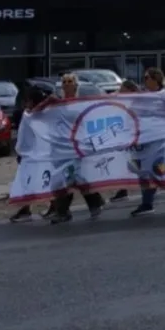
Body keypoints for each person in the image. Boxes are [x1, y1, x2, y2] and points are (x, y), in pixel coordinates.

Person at [49, 74, 107, 224]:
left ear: (75, 85)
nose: (67, 84)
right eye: (64, 82)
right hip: (62, 147)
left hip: (77, 145)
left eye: (70, 82)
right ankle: (94, 203)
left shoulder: (81, 103)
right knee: (67, 178)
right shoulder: (58, 104)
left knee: (73, 177)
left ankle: (64, 211)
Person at [129, 68, 165, 216]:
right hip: (142, 138)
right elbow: (133, 113)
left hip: (158, 138)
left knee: (149, 169)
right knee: (145, 170)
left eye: (147, 78)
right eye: (144, 78)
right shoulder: (142, 96)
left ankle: (151, 201)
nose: (145, 80)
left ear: (156, 80)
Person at [8, 86, 52, 223]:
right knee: (45, 181)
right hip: (44, 155)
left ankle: (27, 209)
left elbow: (24, 137)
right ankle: (51, 206)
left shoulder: (28, 117)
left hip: (32, 156)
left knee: (28, 182)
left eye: (28, 101)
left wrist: (20, 152)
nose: (25, 104)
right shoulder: (47, 115)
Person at [109, 80, 141, 203]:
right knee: (125, 163)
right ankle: (123, 190)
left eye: (123, 89)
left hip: (134, 137)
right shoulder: (123, 99)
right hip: (125, 137)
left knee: (140, 165)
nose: (120, 91)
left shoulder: (137, 102)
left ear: (129, 90)